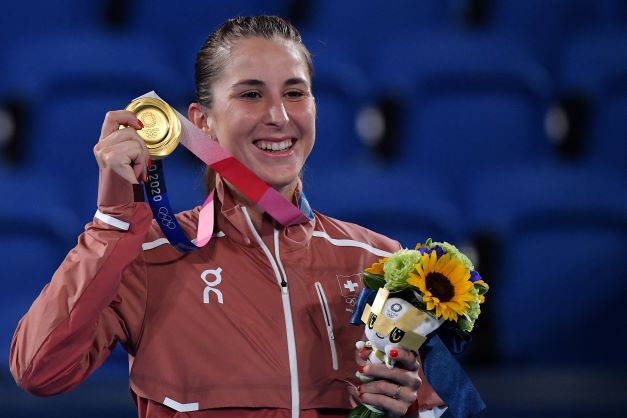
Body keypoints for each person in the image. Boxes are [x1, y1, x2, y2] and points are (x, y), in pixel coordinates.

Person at [10, 16, 479, 418]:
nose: (278, 115)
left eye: (295, 93)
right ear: (202, 121)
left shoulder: (378, 262)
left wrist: (410, 407)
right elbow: (39, 371)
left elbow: (435, 405)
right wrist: (112, 223)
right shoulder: (148, 258)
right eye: (251, 95)